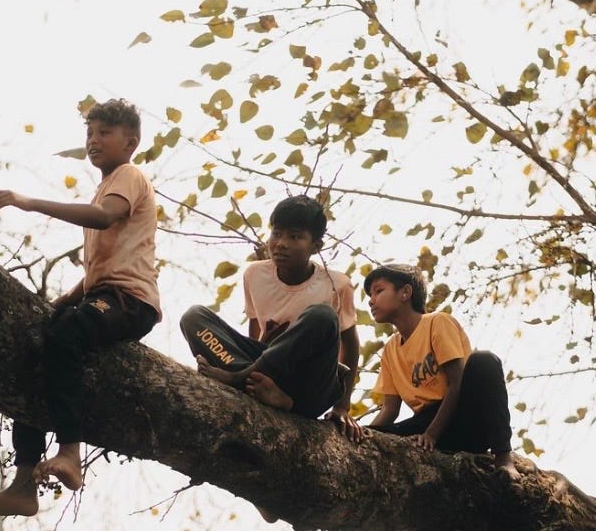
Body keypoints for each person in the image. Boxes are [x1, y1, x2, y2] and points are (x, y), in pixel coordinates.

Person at [0, 98, 161, 517]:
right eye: (89, 133)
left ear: (130, 142)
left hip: (130, 303)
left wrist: (29, 202)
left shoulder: (128, 176)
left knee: (65, 335)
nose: (93, 141)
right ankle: (23, 485)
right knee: (37, 348)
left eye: (104, 133)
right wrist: (60, 303)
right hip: (103, 296)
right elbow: (98, 275)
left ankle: (70, 453)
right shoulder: (108, 183)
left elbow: (102, 218)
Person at [180, 195, 362, 441]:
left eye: (295, 237)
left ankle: (242, 379)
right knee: (194, 317)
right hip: (267, 376)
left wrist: (342, 406)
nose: (281, 244)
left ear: (316, 246)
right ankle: (248, 379)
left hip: (310, 387)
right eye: (276, 234)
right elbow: (255, 330)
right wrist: (249, 363)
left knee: (322, 316)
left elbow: (350, 344)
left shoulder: (336, 284)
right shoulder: (255, 274)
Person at [363, 263, 515, 473]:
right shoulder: (390, 349)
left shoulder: (437, 322)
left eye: (378, 291)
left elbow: (457, 383)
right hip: (425, 422)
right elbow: (390, 409)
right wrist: (360, 435)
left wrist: (431, 435)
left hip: (463, 414)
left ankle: (504, 457)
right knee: (381, 435)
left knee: (484, 361)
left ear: (405, 292)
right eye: (370, 295)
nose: (371, 300)